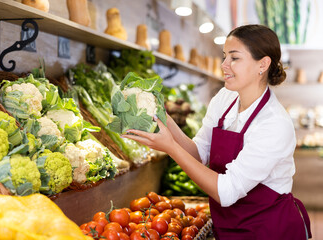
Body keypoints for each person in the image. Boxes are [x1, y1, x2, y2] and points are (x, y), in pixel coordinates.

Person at [122, 24, 312, 240]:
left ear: (263, 64)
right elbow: (199, 154)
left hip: (268, 230)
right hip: (228, 227)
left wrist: (171, 148)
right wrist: (162, 116)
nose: (224, 65)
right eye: (224, 57)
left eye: (234, 58)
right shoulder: (225, 98)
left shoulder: (274, 124)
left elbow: (227, 191)